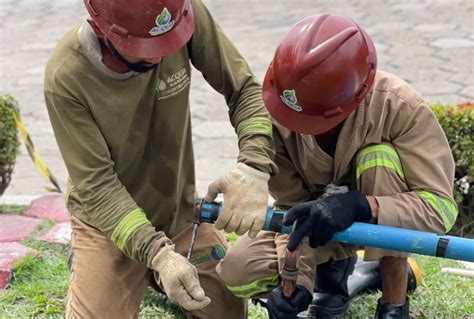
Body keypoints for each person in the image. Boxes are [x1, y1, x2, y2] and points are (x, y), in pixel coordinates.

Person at [44, 0, 277, 317]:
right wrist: (158, 254)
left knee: (227, 311)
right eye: (142, 45)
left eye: (168, 41)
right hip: (109, 226)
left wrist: (254, 166)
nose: (160, 53)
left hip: (178, 214)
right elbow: (97, 187)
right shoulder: (66, 76)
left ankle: (157, 272)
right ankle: (121, 264)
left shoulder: (179, 13)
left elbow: (245, 89)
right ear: (101, 26)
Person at [217, 13, 457, 318]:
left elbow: (440, 210)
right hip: (320, 234)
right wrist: (297, 279)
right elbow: (292, 209)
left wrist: (361, 206)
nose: (298, 127)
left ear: (356, 98)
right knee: (237, 270)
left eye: (314, 119)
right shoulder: (279, 109)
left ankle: (394, 299)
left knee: (378, 156)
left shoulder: (400, 107)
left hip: (381, 228)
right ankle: (332, 278)